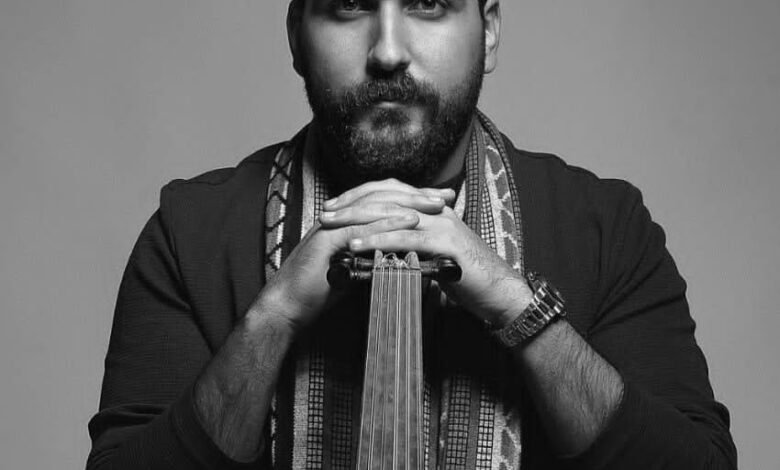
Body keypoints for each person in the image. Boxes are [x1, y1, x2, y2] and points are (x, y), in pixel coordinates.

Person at [87, 1, 737, 468]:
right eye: (348, 5)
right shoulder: (190, 230)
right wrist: (274, 317)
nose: (388, 51)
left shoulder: (605, 226)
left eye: (428, 3)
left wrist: (516, 305)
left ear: (488, 29)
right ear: (295, 36)